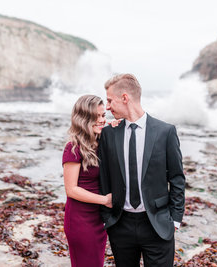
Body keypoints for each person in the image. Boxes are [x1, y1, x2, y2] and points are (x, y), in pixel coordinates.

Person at [99, 74, 185, 267]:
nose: (107, 107)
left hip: (158, 225)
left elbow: (177, 178)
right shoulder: (108, 134)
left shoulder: (165, 132)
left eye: (110, 100)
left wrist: (175, 220)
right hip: (120, 225)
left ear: (124, 98)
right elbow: (103, 178)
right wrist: (107, 219)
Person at [62, 94, 112, 267]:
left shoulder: (100, 141)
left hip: (98, 218)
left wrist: (114, 127)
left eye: (103, 115)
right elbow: (71, 189)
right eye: (95, 116)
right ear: (83, 118)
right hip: (80, 220)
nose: (101, 120)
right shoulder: (73, 148)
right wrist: (105, 200)